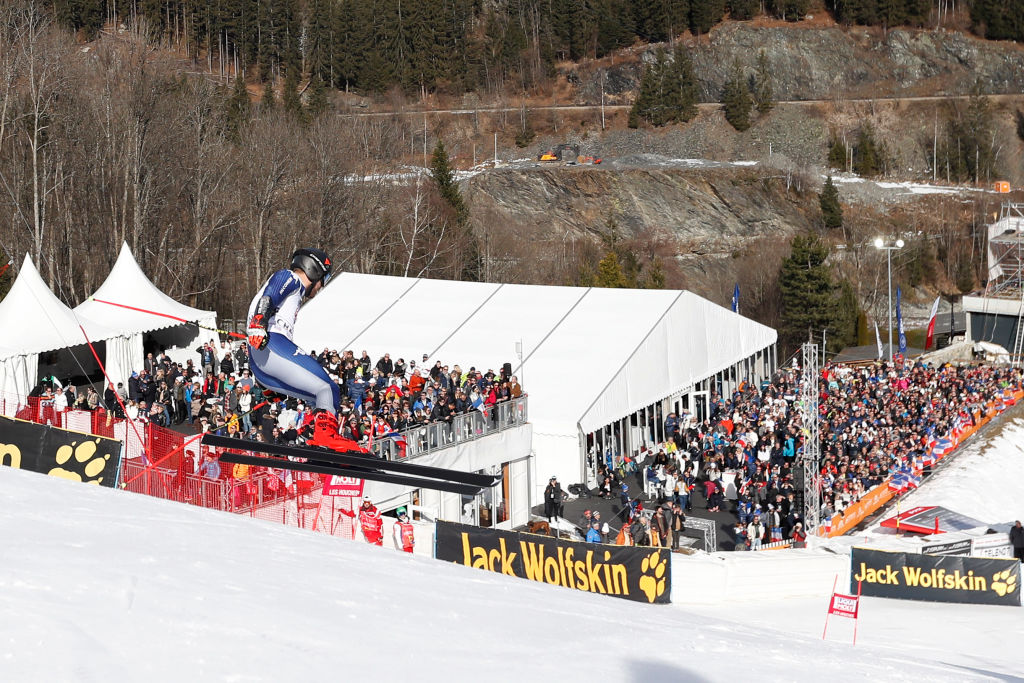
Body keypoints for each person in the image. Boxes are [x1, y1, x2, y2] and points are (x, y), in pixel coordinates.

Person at [245, 248, 356, 452]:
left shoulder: (294, 296)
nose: (322, 285)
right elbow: (270, 295)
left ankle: (311, 435)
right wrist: (258, 323)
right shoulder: (291, 279)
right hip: (271, 343)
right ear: (314, 270)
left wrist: (266, 384)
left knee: (318, 397)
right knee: (328, 388)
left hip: (261, 358)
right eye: (325, 278)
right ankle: (326, 438)